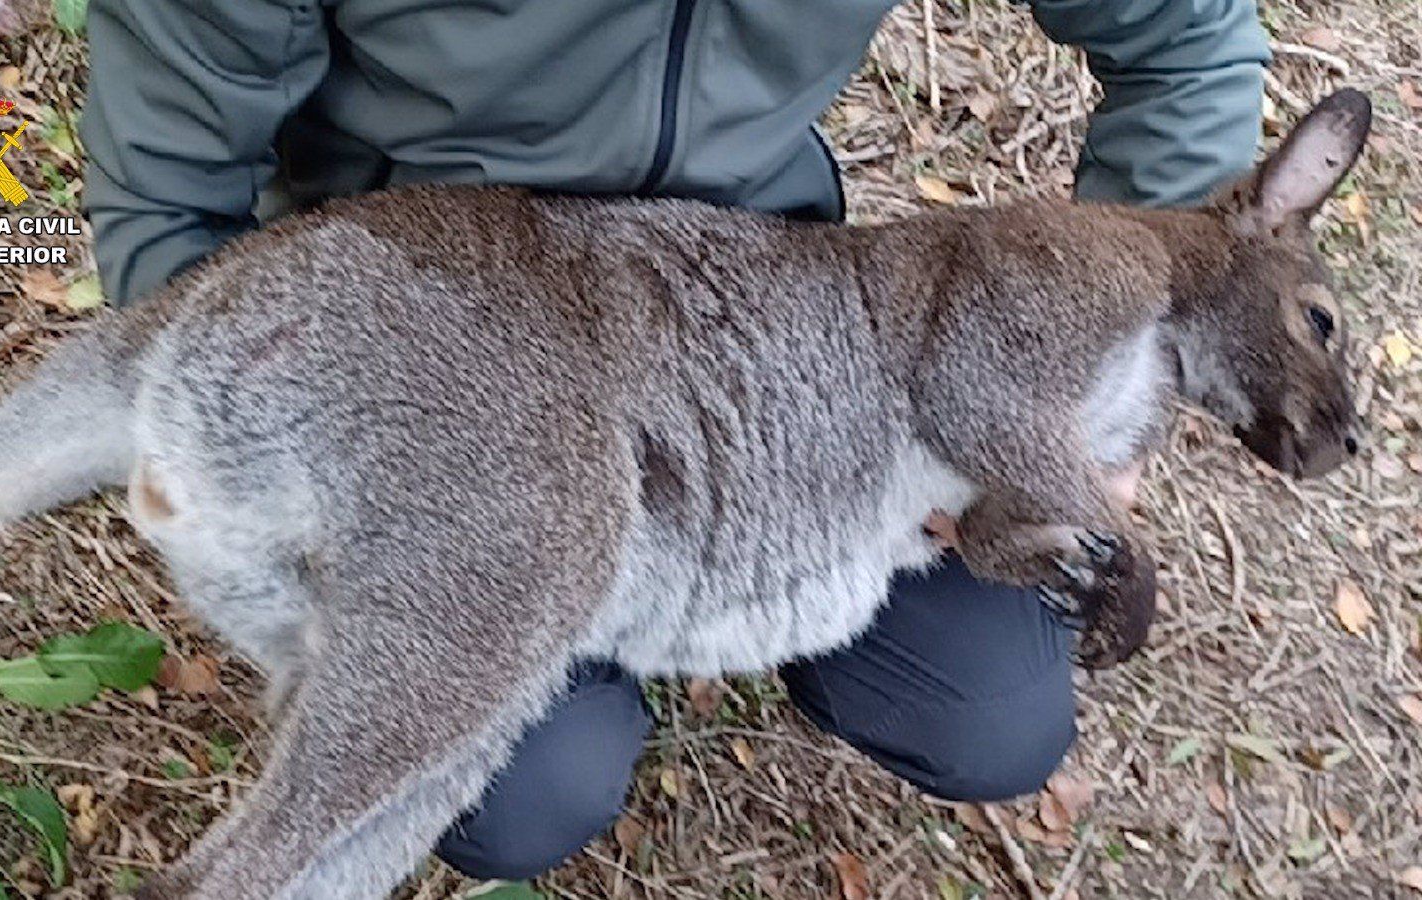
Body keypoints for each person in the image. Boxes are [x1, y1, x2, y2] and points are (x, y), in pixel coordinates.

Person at [81, 0, 1269, 880]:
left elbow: (1184, 40)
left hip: (765, 331)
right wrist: (284, 449)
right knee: (524, 792)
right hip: (446, 327)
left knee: (991, 710)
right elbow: (169, 189)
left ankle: (730, 602)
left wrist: (1098, 407)